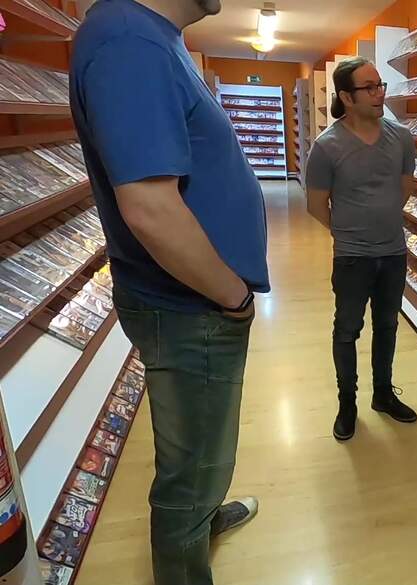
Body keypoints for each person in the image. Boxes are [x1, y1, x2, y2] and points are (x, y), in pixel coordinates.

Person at [69, 1, 268, 583]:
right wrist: (232, 296)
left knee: (205, 454)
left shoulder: (153, 38)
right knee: (194, 468)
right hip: (190, 306)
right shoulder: (130, 42)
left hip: (192, 303)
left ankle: (201, 521)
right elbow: (150, 207)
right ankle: (189, 541)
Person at [306, 57, 417, 441]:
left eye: (380, 85)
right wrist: (349, 232)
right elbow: (316, 205)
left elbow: (404, 185)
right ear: (346, 97)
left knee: (387, 325)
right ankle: (347, 403)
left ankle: (383, 394)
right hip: (352, 257)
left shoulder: (401, 137)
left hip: (393, 252)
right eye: (369, 88)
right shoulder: (327, 147)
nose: (379, 94)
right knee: (347, 329)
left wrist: (380, 219)